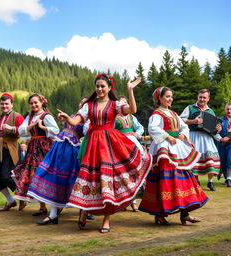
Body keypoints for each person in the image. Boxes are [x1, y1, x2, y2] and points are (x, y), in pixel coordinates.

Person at [58, 73, 152, 233]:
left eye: (103, 86)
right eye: (97, 86)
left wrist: (130, 90)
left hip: (110, 144)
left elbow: (132, 110)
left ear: (109, 88)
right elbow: (75, 122)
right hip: (93, 145)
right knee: (90, 179)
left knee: (107, 180)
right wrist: (67, 118)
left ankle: (106, 219)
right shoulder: (88, 106)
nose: (100, 89)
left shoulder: (115, 104)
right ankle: (85, 212)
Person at [139, 87, 208, 225]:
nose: (170, 99)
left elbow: (184, 127)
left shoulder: (173, 113)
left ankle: (185, 214)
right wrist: (167, 136)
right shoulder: (156, 114)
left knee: (182, 179)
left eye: (171, 96)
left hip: (176, 148)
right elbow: (153, 129)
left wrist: (183, 135)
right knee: (166, 181)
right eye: (167, 96)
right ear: (160, 98)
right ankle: (160, 215)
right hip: (164, 149)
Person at [28, 97, 87, 225]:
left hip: (72, 149)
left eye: (86, 103)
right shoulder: (73, 116)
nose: (83, 104)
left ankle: (84, 211)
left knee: (72, 179)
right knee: (51, 175)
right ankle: (53, 214)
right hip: (58, 146)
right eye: (81, 102)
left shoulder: (88, 120)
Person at [12, 93, 59, 212]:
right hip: (33, 148)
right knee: (34, 175)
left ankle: (56, 205)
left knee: (46, 174)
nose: (33, 105)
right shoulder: (29, 117)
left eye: (36, 102)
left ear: (42, 102)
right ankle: (42, 207)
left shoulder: (46, 116)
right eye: (31, 103)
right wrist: (30, 126)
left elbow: (56, 130)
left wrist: (43, 128)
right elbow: (21, 131)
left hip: (45, 147)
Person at [180, 89, 221, 191]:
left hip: (207, 137)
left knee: (210, 158)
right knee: (195, 159)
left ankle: (210, 182)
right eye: (200, 97)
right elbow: (180, 120)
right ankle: (196, 181)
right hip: (193, 136)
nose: (202, 99)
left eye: (204, 97)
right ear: (197, 97)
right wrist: (193, 121)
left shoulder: (210, 111)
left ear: (208, 98)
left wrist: (217, 129)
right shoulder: (190, 108)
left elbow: (214, 129)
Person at [115, 95, 145, 212]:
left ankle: (134, 201)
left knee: (135, 170)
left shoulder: (131, 117)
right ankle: (124, 200)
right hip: (120, 145)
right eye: (121, 103)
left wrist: (137, 134)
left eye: (125, 103)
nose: (124, 105)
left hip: (132, 144)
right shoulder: (114, 117)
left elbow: (140, 127)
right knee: (122, 172)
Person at [215, 103, 231, 187]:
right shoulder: (219, 120)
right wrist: (221, 139)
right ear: (225, 110)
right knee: (223, 162)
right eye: (227, 109)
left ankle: (229, 178)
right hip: (221, 144)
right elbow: (214, 133)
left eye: (230, 109)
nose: (229, 111)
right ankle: (226, 177)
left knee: (229, 160)